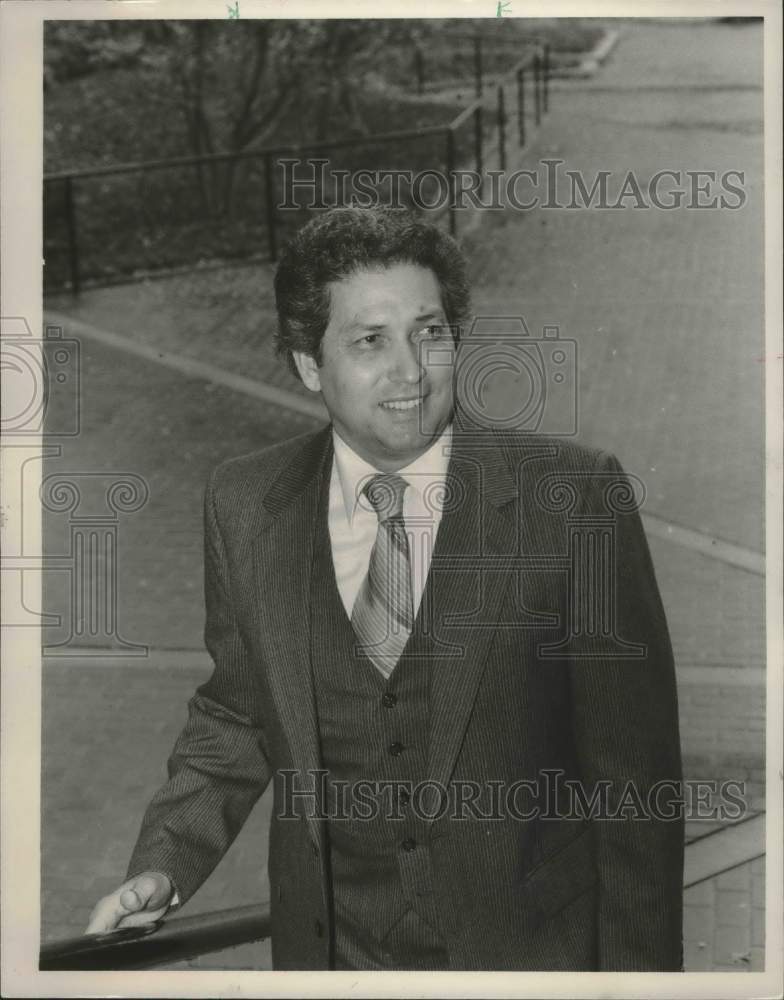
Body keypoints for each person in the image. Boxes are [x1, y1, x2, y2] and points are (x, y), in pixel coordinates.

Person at [86, 206, 684, 971]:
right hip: (333, 961)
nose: (410, 370)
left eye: (429, 332)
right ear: (309, 363)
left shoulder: (571, 500)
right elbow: (236, 713)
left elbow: (636, 790)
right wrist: (163, 866)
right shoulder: (246, 503)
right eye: (370, 340)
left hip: (529, 960)